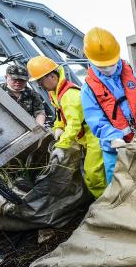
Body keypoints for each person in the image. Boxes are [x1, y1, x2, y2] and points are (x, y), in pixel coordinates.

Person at [80, 27, 136, 183]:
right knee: (121, 191)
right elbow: (96, 120)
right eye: (102, 66)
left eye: (110, 64)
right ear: (90, 60)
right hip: (114, 152)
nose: (107, 68)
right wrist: (113, 139)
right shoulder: (88, 91)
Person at [27, 56, 107, 199]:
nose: (39, 85)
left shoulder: (69, 95)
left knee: (93, 174)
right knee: (90, 172)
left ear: (52, 76)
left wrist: (62, 146)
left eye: (40, 81)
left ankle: (105, 202)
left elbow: (74, 125)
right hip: (84, 138)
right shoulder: (55, 92)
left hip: (95, 136)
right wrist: (58, 127)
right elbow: (60, 115)